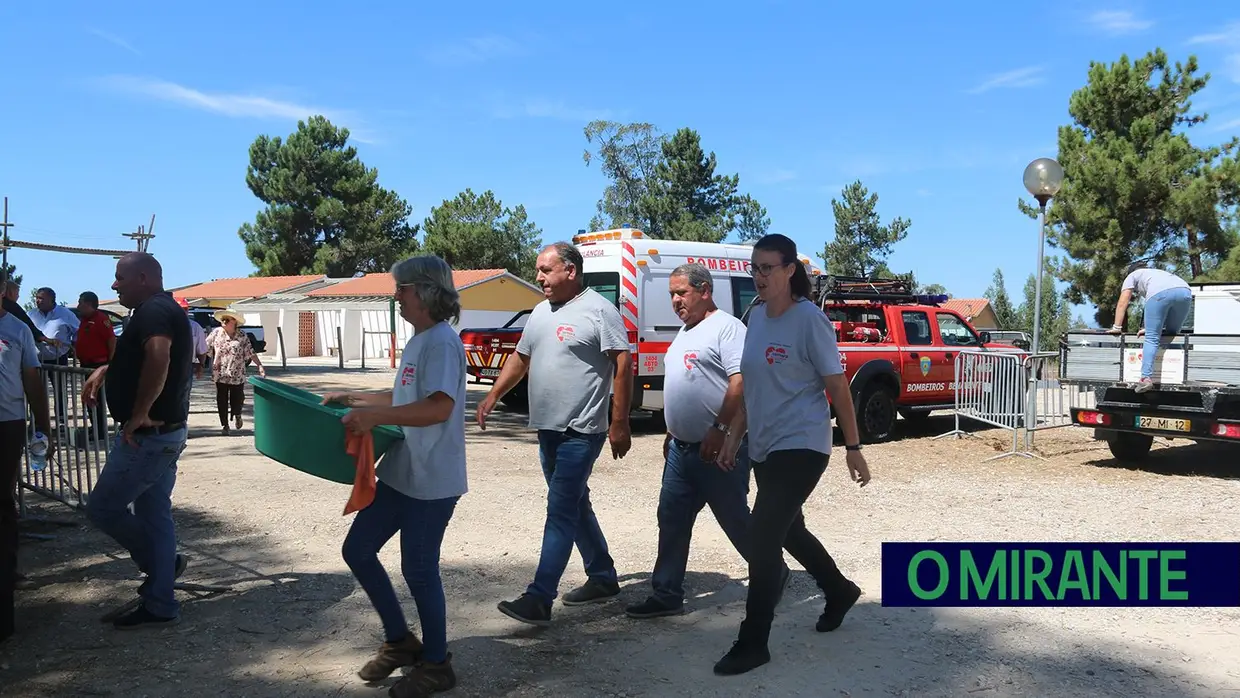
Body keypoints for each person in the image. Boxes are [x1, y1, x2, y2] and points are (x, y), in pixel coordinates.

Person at [711, 234, 872, 677]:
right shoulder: (756, 317)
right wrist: (732, 435)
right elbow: (753, 387)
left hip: (802, 445)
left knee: (762, 536)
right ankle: (838, 589)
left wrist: (853, 447)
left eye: (768, 268)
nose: (759, 277)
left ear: (789, 271)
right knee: (788, 530)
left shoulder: (809, 321)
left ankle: (753, 641)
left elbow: (837, 386)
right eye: (755, 269)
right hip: (764, 445)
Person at [323, 255, 468, 697]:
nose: (396, 297)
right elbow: (406, 395)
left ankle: (438, 664)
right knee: (359, 549)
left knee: (419, 569)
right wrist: (357, 398)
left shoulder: (442, 342)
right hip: (403, 472)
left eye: (401, 289)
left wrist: (375, 415)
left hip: (432, 480)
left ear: (424, 291)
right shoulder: (420, 340)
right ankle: (400, 642)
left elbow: (438, 407)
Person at [477, 242, 632, 627]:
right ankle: (603, 576)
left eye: (546, 270)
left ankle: (539, 597)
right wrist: (493, 395)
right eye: (538, 270)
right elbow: (521, 357)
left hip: (582, 429)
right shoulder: (542, 312)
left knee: (560, 510)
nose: (539, 277)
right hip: (547, 428)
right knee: (574, 504)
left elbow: (623, 364)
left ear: (571, 271)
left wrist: (619, 422)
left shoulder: (599, 310)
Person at [625, 263, 790, 619]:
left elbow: (740, 382)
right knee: (671, 518)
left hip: (721, 448)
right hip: (682, 451)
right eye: (671, 294)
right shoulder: (685, 332)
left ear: (704, 291)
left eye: (681, 293)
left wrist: (719, 429)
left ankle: (773, 571)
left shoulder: (727, 328)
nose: (675, 300)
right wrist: (673, 430)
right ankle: (666, 593)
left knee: (735, 520)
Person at [83, 252, 193, 630]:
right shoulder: (156, 310)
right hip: (164, 434)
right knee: (155, 514)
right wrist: (108, 369)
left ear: (143, 278)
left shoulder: (153, 311)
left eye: (120, 278)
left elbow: (159, 356)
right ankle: (161, 600)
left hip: (150, 437)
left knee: (102, 509)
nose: (114, 285)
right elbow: (147, 357)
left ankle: (163, 571)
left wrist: (140, 412)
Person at [1, 298, 53, 643]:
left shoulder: (17, 329)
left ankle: (6, 583)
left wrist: (44, 425)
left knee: (1, 502)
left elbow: (32, 379)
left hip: (7, 424)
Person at [1107, 261, 1192, 393]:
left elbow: (1123, 302)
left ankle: (1145, 378)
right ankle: (1181, 373)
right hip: (1185, 292)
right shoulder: (1156, 273)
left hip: (1159, 294)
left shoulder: (1132, 276)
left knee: (1152, 338)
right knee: (1172, 334)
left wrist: (1117, 327)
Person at [205, 310, 265, 435]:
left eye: (228, 319)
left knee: (237, 398)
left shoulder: (242, 335)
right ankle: (225, 425)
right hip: (220, 373)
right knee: (221, 399)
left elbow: (250, 352)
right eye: (223, 319)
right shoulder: (216, 333)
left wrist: (259, 365)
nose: (224, 321)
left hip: (237, 373)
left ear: (235, 322)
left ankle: (237, 414)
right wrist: (198, 362)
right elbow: (204, 348)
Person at [31, 287, 79, 428]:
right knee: (36, 391)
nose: (38, 301)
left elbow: (78, 331)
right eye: (37, 298)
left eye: (42, 298)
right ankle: (36, 422)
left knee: (60, 391)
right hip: (36, 359)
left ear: (52, 300)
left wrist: (74, 346)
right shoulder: (31, 314)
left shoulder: (65, 314)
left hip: (59, 358)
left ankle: (62, 420)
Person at [74, 291, 116, 440]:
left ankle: (100, 431)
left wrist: (110, 363)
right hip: (86, 364)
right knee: (88, 397)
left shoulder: (101, 319)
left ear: (88, 304)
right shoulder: (84, 320)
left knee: (95, 398)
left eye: (80, 303)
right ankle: (95, 427)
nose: (78, 306)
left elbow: (111, 341)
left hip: (98, 365)